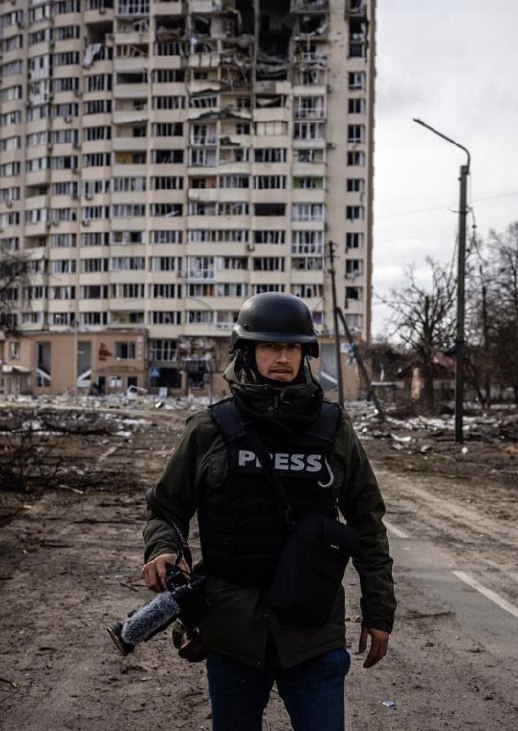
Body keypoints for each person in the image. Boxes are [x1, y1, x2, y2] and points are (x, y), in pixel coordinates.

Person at [140, 292, 396, 731]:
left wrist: (378, 612)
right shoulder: (209, 429)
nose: (283, 357)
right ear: (247, 352)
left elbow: (367, 521)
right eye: (271, 346)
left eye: (293, 347)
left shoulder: (333, 429)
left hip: (313, 631)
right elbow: (166, 507)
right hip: (233, 631)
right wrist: (162, 549)